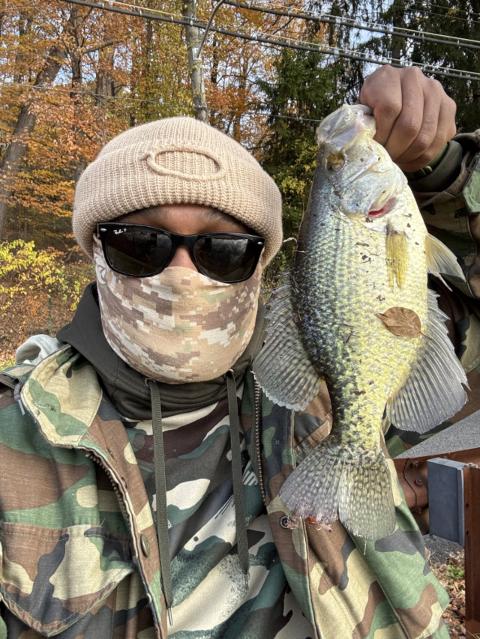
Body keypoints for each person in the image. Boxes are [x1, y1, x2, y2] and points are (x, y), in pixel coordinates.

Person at [0, 65, 479, 639]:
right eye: (140, 245)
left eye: (223, 250)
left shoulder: (316, 403)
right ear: (95, 252)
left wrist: (446, 174)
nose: (181, 273)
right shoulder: (12, 436)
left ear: (260, 265)